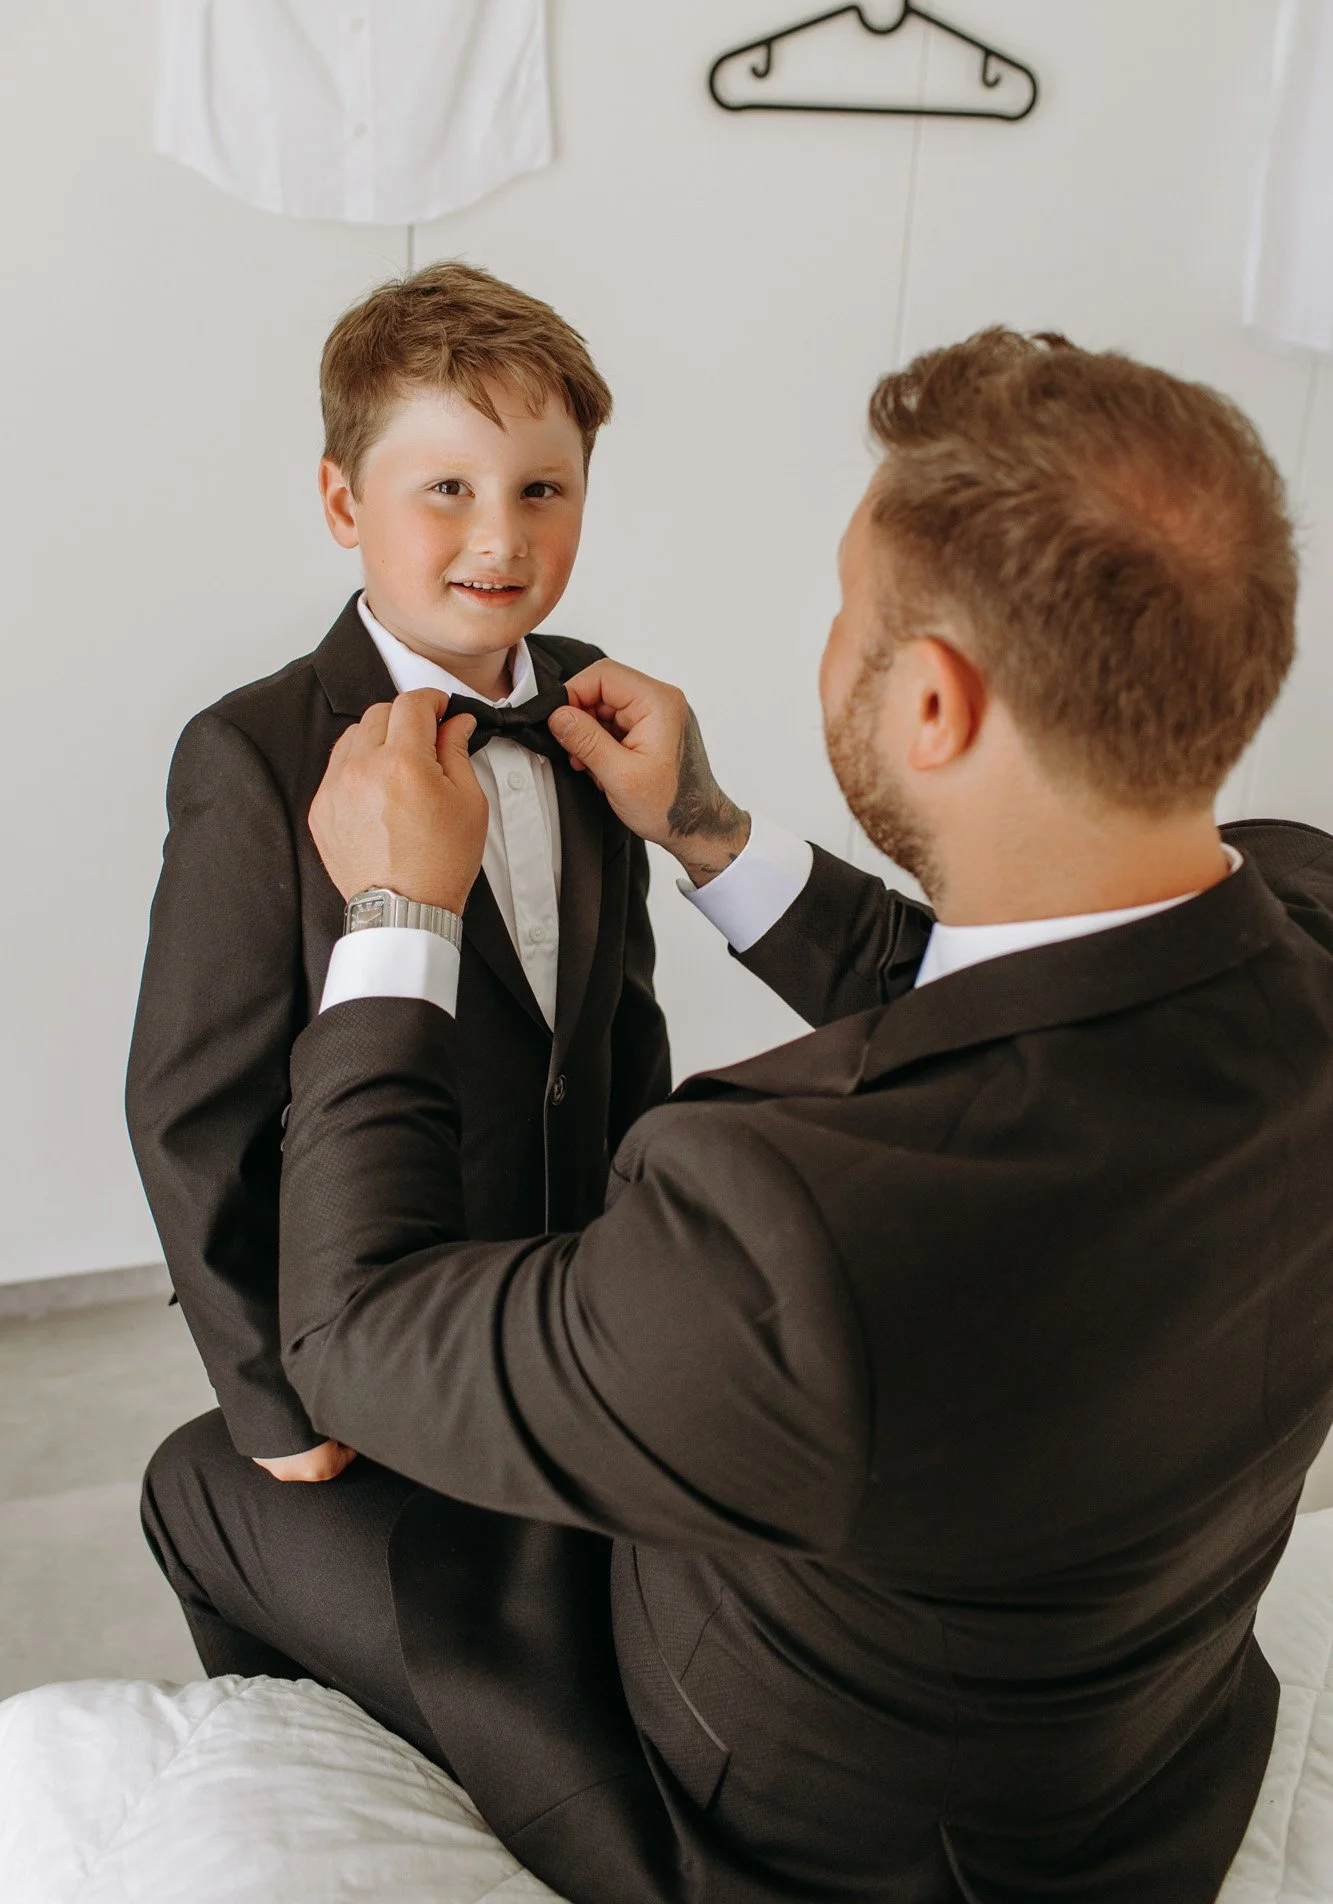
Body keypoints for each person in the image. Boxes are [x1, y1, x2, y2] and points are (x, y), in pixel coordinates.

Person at [143, 330, 1333, 1904]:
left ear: (928, 704)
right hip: (1146, 1745)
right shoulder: (1299, 917)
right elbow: (1008, 996)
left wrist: (391, 915)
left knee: (193, 1481)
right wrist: (711, 833)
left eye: (846, 611)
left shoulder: (778, 1227)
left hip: (819, 1830)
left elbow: (353, 1332)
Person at [127, 258, 669, 1480]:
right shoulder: (250, 752)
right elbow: (190, 1114)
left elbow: (621, 1025)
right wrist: (277, 1403)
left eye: (544, 487)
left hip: (572, 1322)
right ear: (341, 501)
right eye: (447, 488)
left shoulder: (592, 703)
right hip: (373, 1334)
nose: (502, 534)